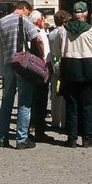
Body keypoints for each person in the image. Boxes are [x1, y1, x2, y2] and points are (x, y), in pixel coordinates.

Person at [53, 1, 92, 149]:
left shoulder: (63, 30)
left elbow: (56, 52)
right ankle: (87, 138)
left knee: (71, 105)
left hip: (69, 69)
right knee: (87, 105)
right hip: (87, 69)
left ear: (74, 14)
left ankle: (72, 138)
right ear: (85, 14)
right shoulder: (91, 30)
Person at [0, 0, 46, 149]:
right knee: (24, 102)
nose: (28, 15)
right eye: (28, 12)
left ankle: (2, 137)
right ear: (24, 9)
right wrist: (41, 56)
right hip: (22, 64)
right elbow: (37, 38)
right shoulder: (24, 20)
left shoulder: (1, 22)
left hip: (7, 63)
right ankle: (21, 139)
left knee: (7, 101)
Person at [29, 10, 53, 142]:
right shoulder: (40, 34)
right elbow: (46, 55)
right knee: (41, 100)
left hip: (30, 69)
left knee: (32, 100)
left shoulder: (27, 31)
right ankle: (39, 130)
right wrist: (48, 68)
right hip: (40, 69)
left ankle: (31, 125)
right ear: (39, 21)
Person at [47, 10, 70, 131]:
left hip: (53, 63)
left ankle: (55, 120)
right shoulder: (64, 32)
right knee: (64, 93)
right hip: (63, 64)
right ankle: (65, 121)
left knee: (55, 94)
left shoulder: (51, 33)